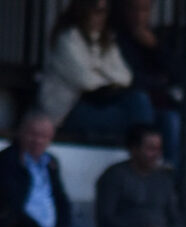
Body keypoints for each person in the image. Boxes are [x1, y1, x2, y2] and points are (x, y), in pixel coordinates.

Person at [40, 0, 150, 143]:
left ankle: (152, 155)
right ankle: (145, 155)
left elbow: (126, 77)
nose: (102, 17)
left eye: (105, 12)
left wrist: (97, 70)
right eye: (98, 11)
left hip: (100, 104)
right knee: (138, 121)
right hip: (68, 112)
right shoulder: (67, 38)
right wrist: (107, 74)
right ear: (84, 10)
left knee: (148, 107)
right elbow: (87, 82)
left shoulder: (105, 40)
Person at [94, 123, 186, 227]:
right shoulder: (114, 176)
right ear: (133, 149)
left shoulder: (164, 178)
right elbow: (105, 220)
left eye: (158, 148)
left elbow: (176, 217)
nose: (156, 154)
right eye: (150, 148)